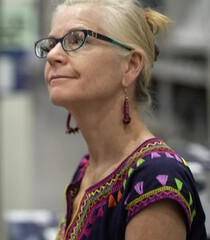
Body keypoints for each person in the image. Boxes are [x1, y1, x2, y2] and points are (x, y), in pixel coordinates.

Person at [33, 0, 207, 239]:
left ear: (130, 65)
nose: (52, 55)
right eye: (51, 44)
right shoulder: (87, 167)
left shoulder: (156, 179)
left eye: (76, 40)